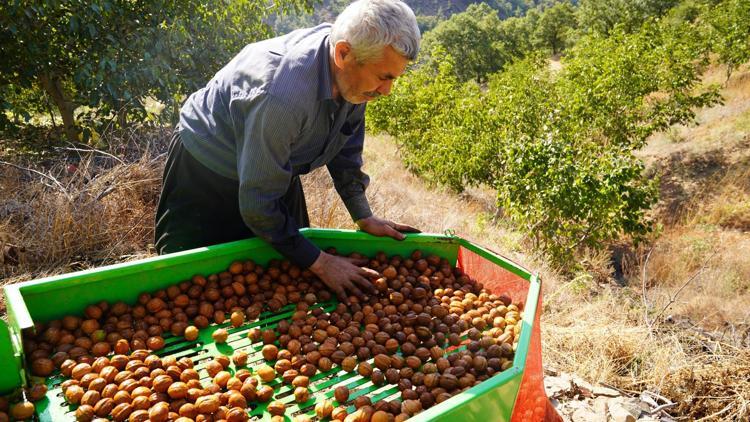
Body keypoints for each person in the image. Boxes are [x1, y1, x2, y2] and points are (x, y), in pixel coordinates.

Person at [154, 0, 421, 303]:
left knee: (287, 277)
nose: (387, 91)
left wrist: (363, 214)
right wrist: (321, 263)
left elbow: (345, 146)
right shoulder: (282, 94)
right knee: (189, 290)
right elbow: (258, 203)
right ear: (343, 54)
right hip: (207, 172)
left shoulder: (354, 76)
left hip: (274, 166)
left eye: (393, 78)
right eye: (383, 77)